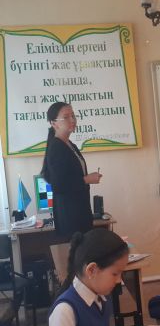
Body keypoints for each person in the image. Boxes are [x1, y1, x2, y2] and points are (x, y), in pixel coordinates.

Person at [41, 102, 102, 239]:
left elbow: (71, 176)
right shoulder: (57, 147)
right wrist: (86, 179)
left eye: (73, 115)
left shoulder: (70, 145)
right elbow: (58, 185)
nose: (72, 120)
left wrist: (87, 178)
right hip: (70, 216)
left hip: (81, 211)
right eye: (66, 117)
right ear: (54, 123)